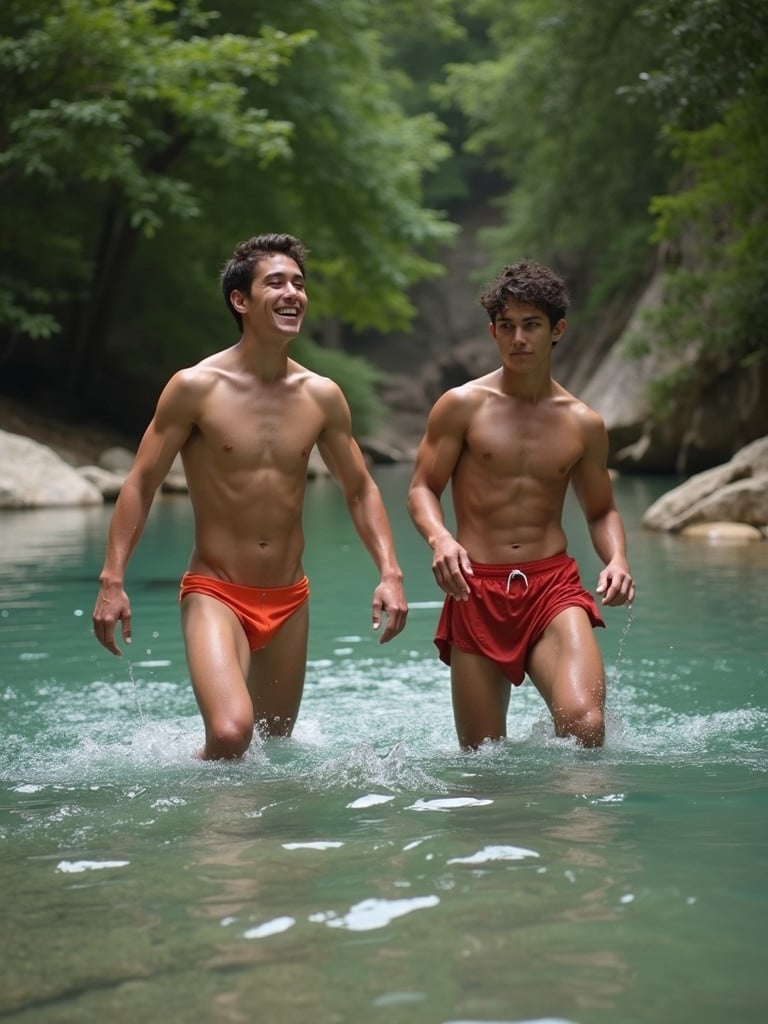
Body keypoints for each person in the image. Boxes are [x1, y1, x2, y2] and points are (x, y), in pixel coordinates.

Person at [93, 232, 408, 759]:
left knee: (274, 748)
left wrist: (391, 573)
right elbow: (141, 482)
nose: (293, 293)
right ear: (240, 300)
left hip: (289, 599)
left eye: (299, 284)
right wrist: (112, 580)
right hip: (216, 591)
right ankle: (207, 835)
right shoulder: (195, 388)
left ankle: (258, 838)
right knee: (232, 732)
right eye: (276, 282)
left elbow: (359, 489)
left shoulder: (321, 396)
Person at [407, 258, 634, 750]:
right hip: (476, 590)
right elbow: (423, 488)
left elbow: (601, 510)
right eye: (506, 327)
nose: (519, 339)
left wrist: (616, 558)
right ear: (493, 332)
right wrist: (440, 538)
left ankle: (578, 824)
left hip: (552, 587)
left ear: (558, 330)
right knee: (482, 760)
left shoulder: (582, 423)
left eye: (532, 325)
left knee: (586, 726)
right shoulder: (462, 405)